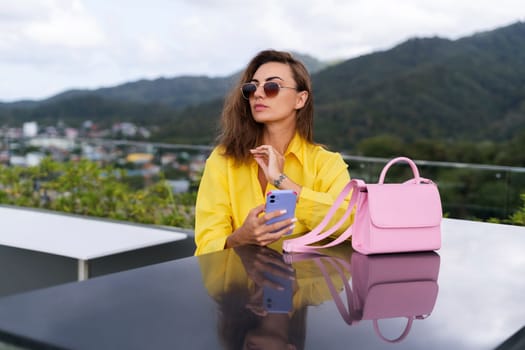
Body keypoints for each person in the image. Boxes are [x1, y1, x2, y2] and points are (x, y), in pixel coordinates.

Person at [194, 49, 352, 256]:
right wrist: (239, 238)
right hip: (239, 285)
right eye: (252, 87)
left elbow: (351, 225)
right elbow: (206, 245)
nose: (258, 94)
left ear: (300, 99)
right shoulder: (223, 160)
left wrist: (282, 181)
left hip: (307, 283)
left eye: (271, 86)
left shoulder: (327, 164)